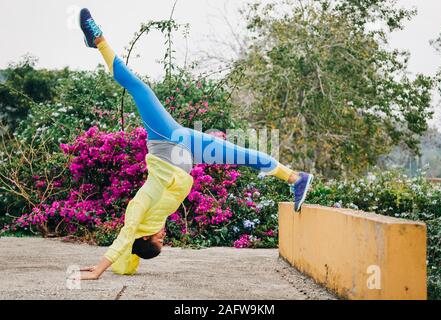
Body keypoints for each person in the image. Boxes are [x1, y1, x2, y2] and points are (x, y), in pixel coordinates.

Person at [76, 8, 314, 280]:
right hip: (187, 149)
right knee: (243, 155)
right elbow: (131, 253)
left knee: (139, 88)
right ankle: (296, 178)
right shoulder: (155, 221)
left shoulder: (139, 210)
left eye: (159, 241)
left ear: (145, 238)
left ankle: (98, 40)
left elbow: (126, 236)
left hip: (166, 140)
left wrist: (99, 269)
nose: (164, 236)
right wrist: (128, 261)